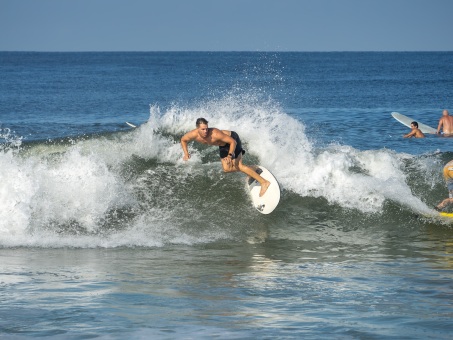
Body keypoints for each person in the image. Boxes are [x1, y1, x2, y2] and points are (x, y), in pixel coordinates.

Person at [180, 118, 271, 197]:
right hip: (223, 145)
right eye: (203, 129)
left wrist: (229, 155)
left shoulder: (215, 134)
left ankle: (264, 182)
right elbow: (183, 140)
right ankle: (253, 169)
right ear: (197, 129)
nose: (205, 131)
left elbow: (233, 142)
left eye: (207, 129)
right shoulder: (193, 134)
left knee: (239, 166)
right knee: (227, 169)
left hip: (232, 140)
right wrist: (186, 153)